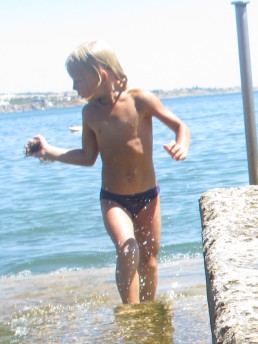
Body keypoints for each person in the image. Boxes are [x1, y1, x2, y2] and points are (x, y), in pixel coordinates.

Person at [26, 41, 190, 304]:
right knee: (128, 249)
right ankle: (131, 313)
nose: (73, 87)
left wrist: (181, 145)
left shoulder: (140, 100)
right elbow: (87, 157)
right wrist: (49, 152)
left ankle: (148, 312)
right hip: (114, 199)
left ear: (100, 73)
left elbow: (180, 126)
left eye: (77, 79)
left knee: (148, 260)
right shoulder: (90, 113)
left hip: (149, 197)